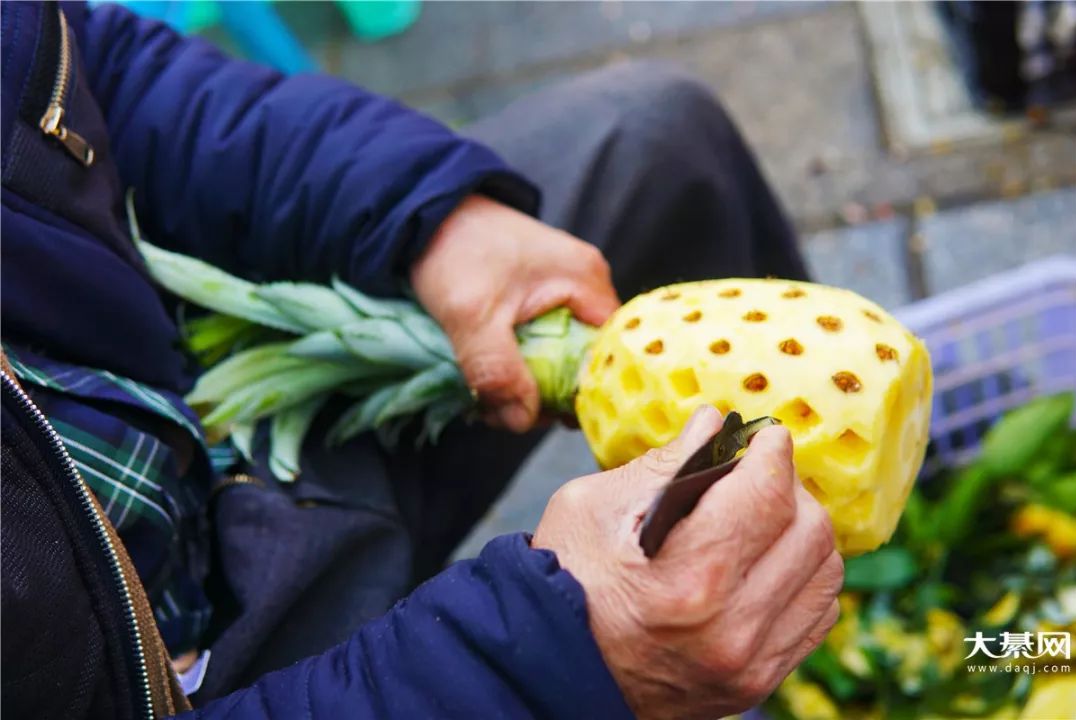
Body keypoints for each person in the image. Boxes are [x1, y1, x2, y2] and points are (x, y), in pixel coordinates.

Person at [1, 1, 840, 718]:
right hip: (214, 675)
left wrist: (424, 209)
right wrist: (547, 667)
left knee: (659, 138)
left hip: (201, 421)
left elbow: (87, 68)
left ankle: (835, 589)